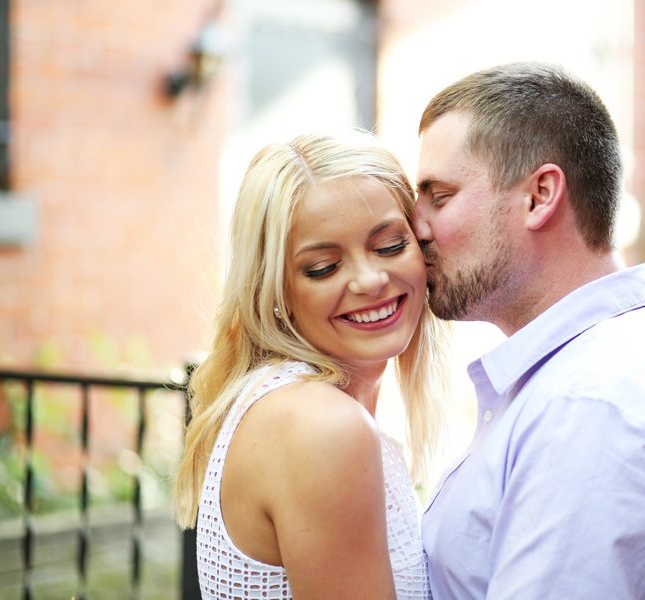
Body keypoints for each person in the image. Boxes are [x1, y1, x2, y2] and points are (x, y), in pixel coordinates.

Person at [414, 62, 645, 599]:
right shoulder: (592, 374)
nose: (417, 228)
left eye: (439, 195)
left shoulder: (591, 407)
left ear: (539, 195)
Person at [173, 131, 447, 599]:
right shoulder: (322, 426)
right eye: (322, 267)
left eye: (389, 246)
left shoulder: (294, 406)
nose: (369, 279)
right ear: (275, 292)